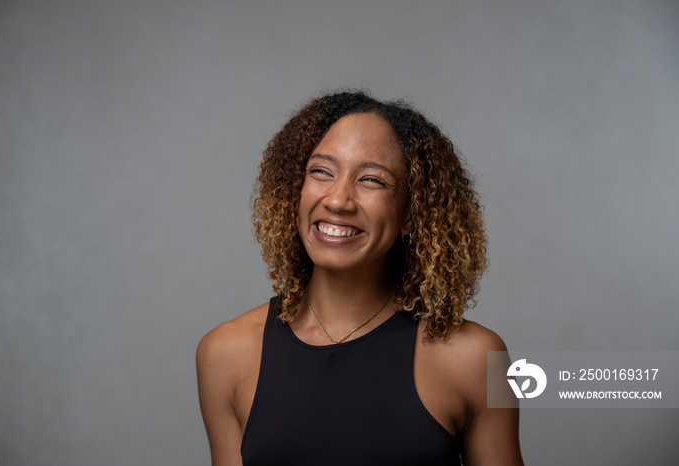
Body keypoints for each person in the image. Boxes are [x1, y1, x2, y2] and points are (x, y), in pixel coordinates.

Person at [197, 91, 523, 465]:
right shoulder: (224, 354)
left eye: (372, 180)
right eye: (321, 172)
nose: (338, 201)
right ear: (294, 192)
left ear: (410, 215)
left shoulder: (480, 358)